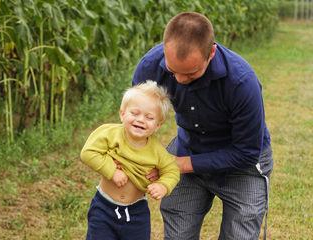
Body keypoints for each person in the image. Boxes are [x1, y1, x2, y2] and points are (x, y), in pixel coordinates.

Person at [132, 12, 273, 240]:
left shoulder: (241, 82)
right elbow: (135, 121)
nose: (179, 79)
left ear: (212, 53)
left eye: (190, 72)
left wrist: (180, 164)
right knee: (178, 234)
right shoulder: (150, 67)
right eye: (172, 69)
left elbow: (247, 152)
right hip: (189, 146)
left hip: (242, 164)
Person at [80, 80, 180, 240]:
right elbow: (88, 152)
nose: (140, 120)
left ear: (158, 125)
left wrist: (163, 185)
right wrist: (112, 171)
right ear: (122, 114)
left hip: (136, 212)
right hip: (104, 207)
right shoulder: (109, 134)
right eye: (135, 113)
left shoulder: (157, 151)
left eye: (149, 117)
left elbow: (172, 170)